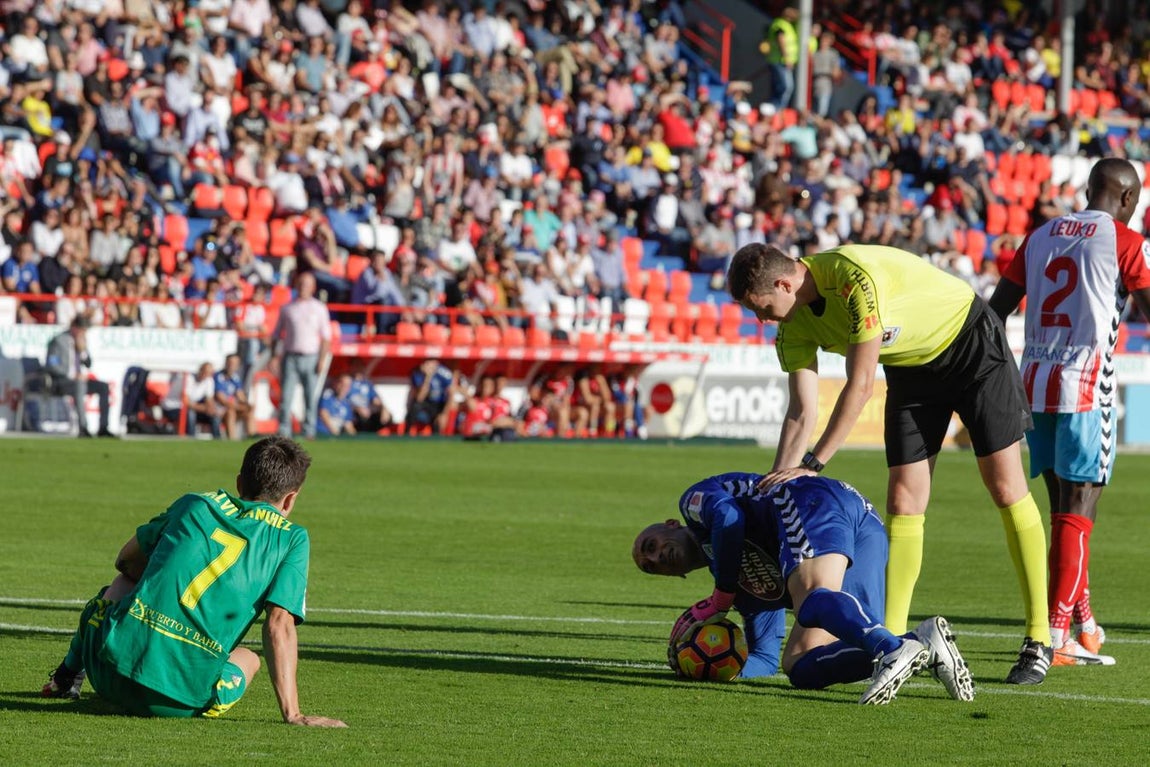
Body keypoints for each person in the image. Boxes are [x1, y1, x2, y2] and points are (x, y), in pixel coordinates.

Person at [726, 242, 1052, 684]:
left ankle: (1039, 637)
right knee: (903, 498)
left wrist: (813, 464)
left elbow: (860, 386)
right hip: (911, 368)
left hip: (970, 344)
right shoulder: (793, 326)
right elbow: (801, 411)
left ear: (784, 284)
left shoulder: (850, 279)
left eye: (761, 308)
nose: (761, 320)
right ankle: (897, 644)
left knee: (1005, 486)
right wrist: (775, 484)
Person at [40, 437, 346, 726]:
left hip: (107, 673)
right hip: (178, 702)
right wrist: (293, 714)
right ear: (290, 500)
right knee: (249, 659)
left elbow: (126, 561)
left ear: (240, 482)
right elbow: (279, 624)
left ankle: (66, 678)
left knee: (120, 585)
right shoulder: (291, 538)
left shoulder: (195, 504)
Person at [989, 158, 1150, 665]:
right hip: (1086, 388)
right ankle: (1054, 637)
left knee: (1064, 511)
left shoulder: (1039, 236)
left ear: (1088, 188)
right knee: (1078, 513)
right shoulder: (1125, 242)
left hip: (1033, 386)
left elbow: (996, 311)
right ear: (1128, 200)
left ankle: (1085, 623)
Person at [633, 473, 973, 704]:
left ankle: (890, 647)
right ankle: (918, 643)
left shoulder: (692, 505)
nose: (657, 556)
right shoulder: (744, 586)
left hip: (808, 500)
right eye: (651, 566)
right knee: (798, 665)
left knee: (810, 599)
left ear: (671, 526)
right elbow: (764, 658)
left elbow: (728, 517)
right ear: (673, 577)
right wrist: (708, 668)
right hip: (862, 531)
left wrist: (720, 598)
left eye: (651, 545)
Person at [272, 273, 332, 440]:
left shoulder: (319, 308)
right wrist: (274, 356)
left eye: (307, 284)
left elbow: (326, 337)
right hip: (290, 356)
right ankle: (284, 430)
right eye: (301, 283)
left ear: (313, 288)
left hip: (311, 356)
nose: (303, 287)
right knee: (286, 396)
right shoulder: (288, 308)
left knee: (310, 396)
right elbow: (277, 334)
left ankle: (309, 430)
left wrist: (321, 359)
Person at [45, 316, 114, 438]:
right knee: (79, 384)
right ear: (74, 328)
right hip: (61, 382)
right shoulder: (58, 341)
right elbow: (52, 364)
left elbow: (88, 364)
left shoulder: (82, 342)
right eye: (82, 330)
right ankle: (83, 427)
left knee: (103, 387)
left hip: (78, 381)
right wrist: (71, 375)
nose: (83, 333)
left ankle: (103, 427)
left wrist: (82, 351)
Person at [214, 353, 257, 440]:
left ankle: (251, 436)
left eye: (234, 364)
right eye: (230, 363)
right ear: (226, 363)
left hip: (233, 407)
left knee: (249, 410)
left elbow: (240, 395)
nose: (231, 366)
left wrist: (247, 405)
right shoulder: (218, 376)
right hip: (219, 410)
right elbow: (221, 398)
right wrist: (237, 406)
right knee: (231, 411)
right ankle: (232, 439)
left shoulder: (235, 378)